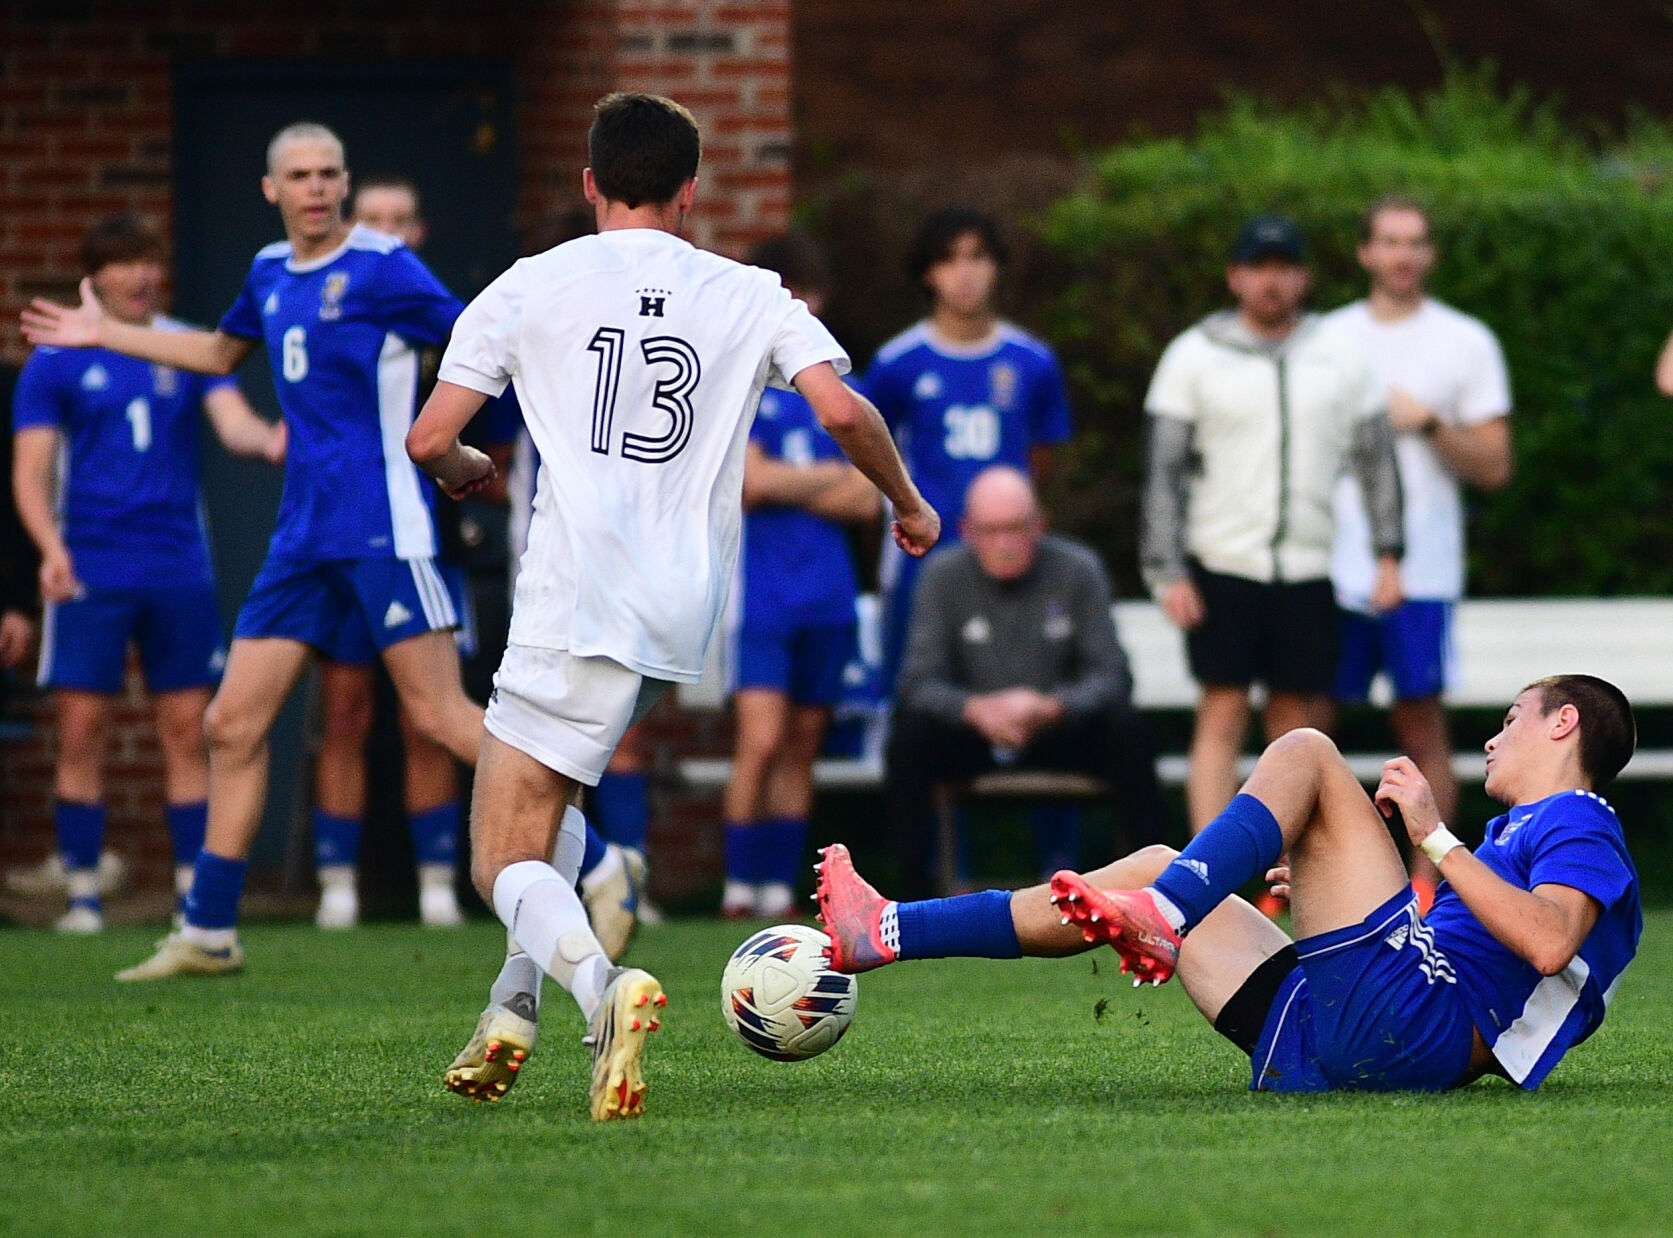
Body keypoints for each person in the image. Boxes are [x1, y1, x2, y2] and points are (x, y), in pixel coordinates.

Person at [405, 92, 937, 1119]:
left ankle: (602, 990)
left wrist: (469, 467)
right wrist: (905, 504)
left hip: (576, 597)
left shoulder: (529, 283)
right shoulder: (749, 291)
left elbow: (431, 439)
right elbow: (838, 406)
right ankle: (509, 1006)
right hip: (683, 611)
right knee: (545, 802)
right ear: (691, 191)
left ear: (591, 184)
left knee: (499, 850)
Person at [22, 122, 486, 978]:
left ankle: (594, 858)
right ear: (271, 190)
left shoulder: (383, 265)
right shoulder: (270, 274)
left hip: (382, 526)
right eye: (297, 176)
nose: (314, 187)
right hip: (300, 540)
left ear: (343, 184)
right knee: (228, 725)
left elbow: (475, 344)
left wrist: (449, 451)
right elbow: (212, 353)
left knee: (438, 718)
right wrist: (107, 333)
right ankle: (208, 929)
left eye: (327, 173)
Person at [818, 673, 1640, 1094]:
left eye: (1510, 721)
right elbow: (1502, 963)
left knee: (1309, 749)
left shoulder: (1578, 818)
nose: (1493, 743)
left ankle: (1163, 913)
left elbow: (1544, 940)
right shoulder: (1526, 833)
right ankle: (887, 931)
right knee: (1150, 861)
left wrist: (1430, 833)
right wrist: (1320, 872)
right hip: (1362, 1039)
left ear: (1562, 723)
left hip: (1409, 1028)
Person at [11, 214, 285, 933]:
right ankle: (81, 897)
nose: (140, 277)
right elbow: (30, 470)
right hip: (90, 565)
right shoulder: (57, 358)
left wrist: (271, 440)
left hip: (176, 567)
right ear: (95, 276)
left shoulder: (181, 346)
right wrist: (49, 548)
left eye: (148, 262)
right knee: (81, 731)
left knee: (185, 731)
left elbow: (234, 423)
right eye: (124, 264)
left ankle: (193, 897)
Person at [1141, 213, 1405, 841]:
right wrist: (1166, 569)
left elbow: (1376, 459)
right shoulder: (1194, 354)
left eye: (1285, 268)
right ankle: (1205, 877)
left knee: (1298, 723)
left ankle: (1287, 865)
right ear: (1235, 277)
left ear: (1304, 278)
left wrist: (1389, 553)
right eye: (1258, 268)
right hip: (1224, 561)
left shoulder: (1339, 354)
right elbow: (1162, 470)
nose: (1271, 282)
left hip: (1308, 563)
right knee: (1223, 710)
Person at [1329, 195, 1514, 911]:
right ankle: (1312, 880)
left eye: (1414, 242)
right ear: (1364, 252)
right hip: (1326, 561)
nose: (1401, 255)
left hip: (1422, 570)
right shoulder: (1327, 337)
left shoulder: (1463, 341)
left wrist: (1429, 422)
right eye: (1387, 241)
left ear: (1429, 254)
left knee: (1418, 720)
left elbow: (1494, 464)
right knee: (1310, 724)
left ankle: (1427, 884)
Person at [886, 464, 1164, 900]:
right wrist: (973, 710)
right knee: (909, 737)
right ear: (966, 530)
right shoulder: (942, 576)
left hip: (1057, 731)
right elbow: (918, 682)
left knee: (1128, 732)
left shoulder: (1078, 570)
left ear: (1040, 524)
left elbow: (1112, 675)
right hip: (973, 735)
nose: (1005, 544)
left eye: (1016, 529)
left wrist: (1052, 707)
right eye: (991, 531)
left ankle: (1154, 889)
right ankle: (911, 896)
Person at [721, 232, 880, 920]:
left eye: (806, 293)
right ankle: (735, 888)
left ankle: (781, 891)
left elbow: (866, 496)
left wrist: (801, 483)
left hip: (828, 598)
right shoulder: (742, 391)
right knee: (759, 738)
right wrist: (827, 480)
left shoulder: (844, 391)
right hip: (759, 597)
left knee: (803, 744)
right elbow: (750, 485)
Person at [861, 209, 1073, 692]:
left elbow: (1043, 460)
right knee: (916, 688)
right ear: (928, 273)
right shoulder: (897, 365)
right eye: (950, 259)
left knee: (1006, 682)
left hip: (1005, 553)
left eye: (978, 257)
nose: (965, 272)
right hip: (923, 556)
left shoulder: (1032, 362)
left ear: (997, 267)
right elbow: (870, 458)